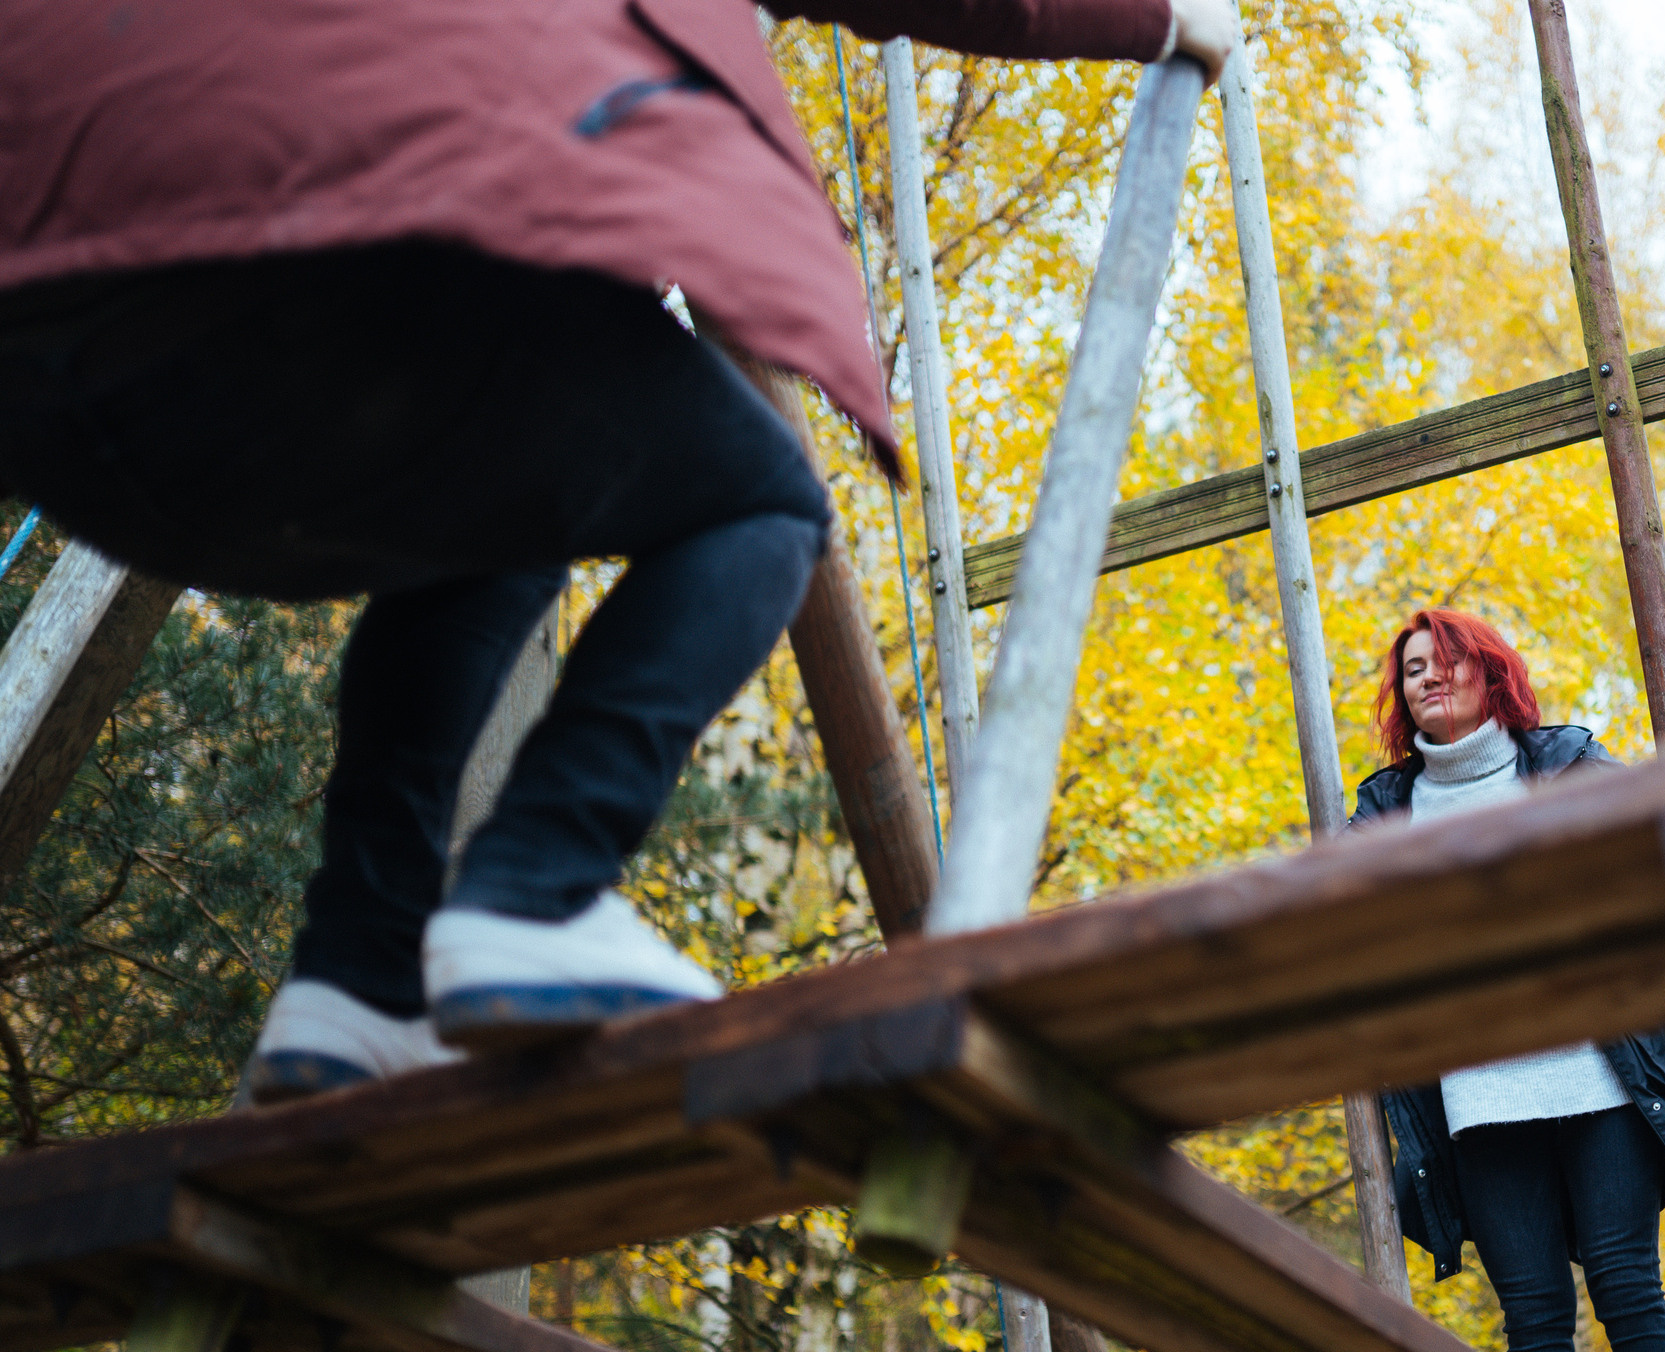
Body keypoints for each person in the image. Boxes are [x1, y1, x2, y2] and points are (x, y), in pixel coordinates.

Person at [0, 0, 1234, 1102]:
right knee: (759, 505)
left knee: (496, 525)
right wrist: (1152, 14)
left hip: (67, 377)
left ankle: (354, 978)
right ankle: (535, 889)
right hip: (311, 248)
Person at [1352, 608, 1665, 1352]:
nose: (1429, 678)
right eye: (1413, 669)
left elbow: (1662, 861)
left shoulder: (1566, 766)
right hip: (1478, 1103)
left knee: (1624, 1282)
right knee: (1531, 1322)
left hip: (1598, 1082)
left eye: (1447, 661)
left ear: (1492, 672)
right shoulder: (1386, 813)